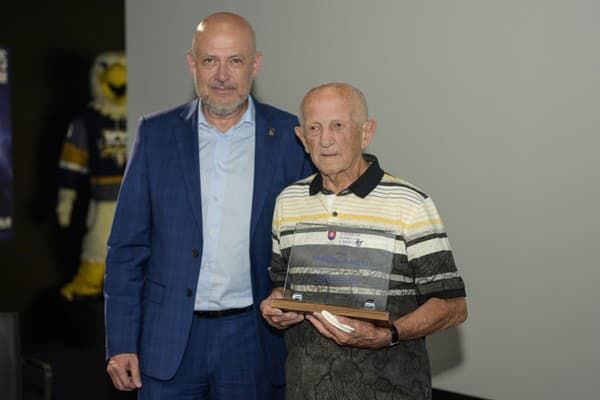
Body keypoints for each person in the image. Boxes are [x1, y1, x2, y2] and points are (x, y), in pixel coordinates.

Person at [104, 12, 313, 399]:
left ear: (255, 64)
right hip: (167, 340)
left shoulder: (290, 137)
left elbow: (309, 243)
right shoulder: (156, 134)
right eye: (209, 61)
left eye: (234, 60)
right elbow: (126, 249)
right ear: (192, 64)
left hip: (253, 341)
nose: (221, 75)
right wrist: (120, 341)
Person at [261, 82, 467, 400]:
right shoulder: (289, 202)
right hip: (305, 389)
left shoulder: (410, 203)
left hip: (389, 389)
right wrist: (277, 306)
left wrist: (389, 334)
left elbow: (453, 306)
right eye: (314, 128)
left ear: (366, 132)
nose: (325, 139)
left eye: (338, 126)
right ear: (302, 138)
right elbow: (283, 285)